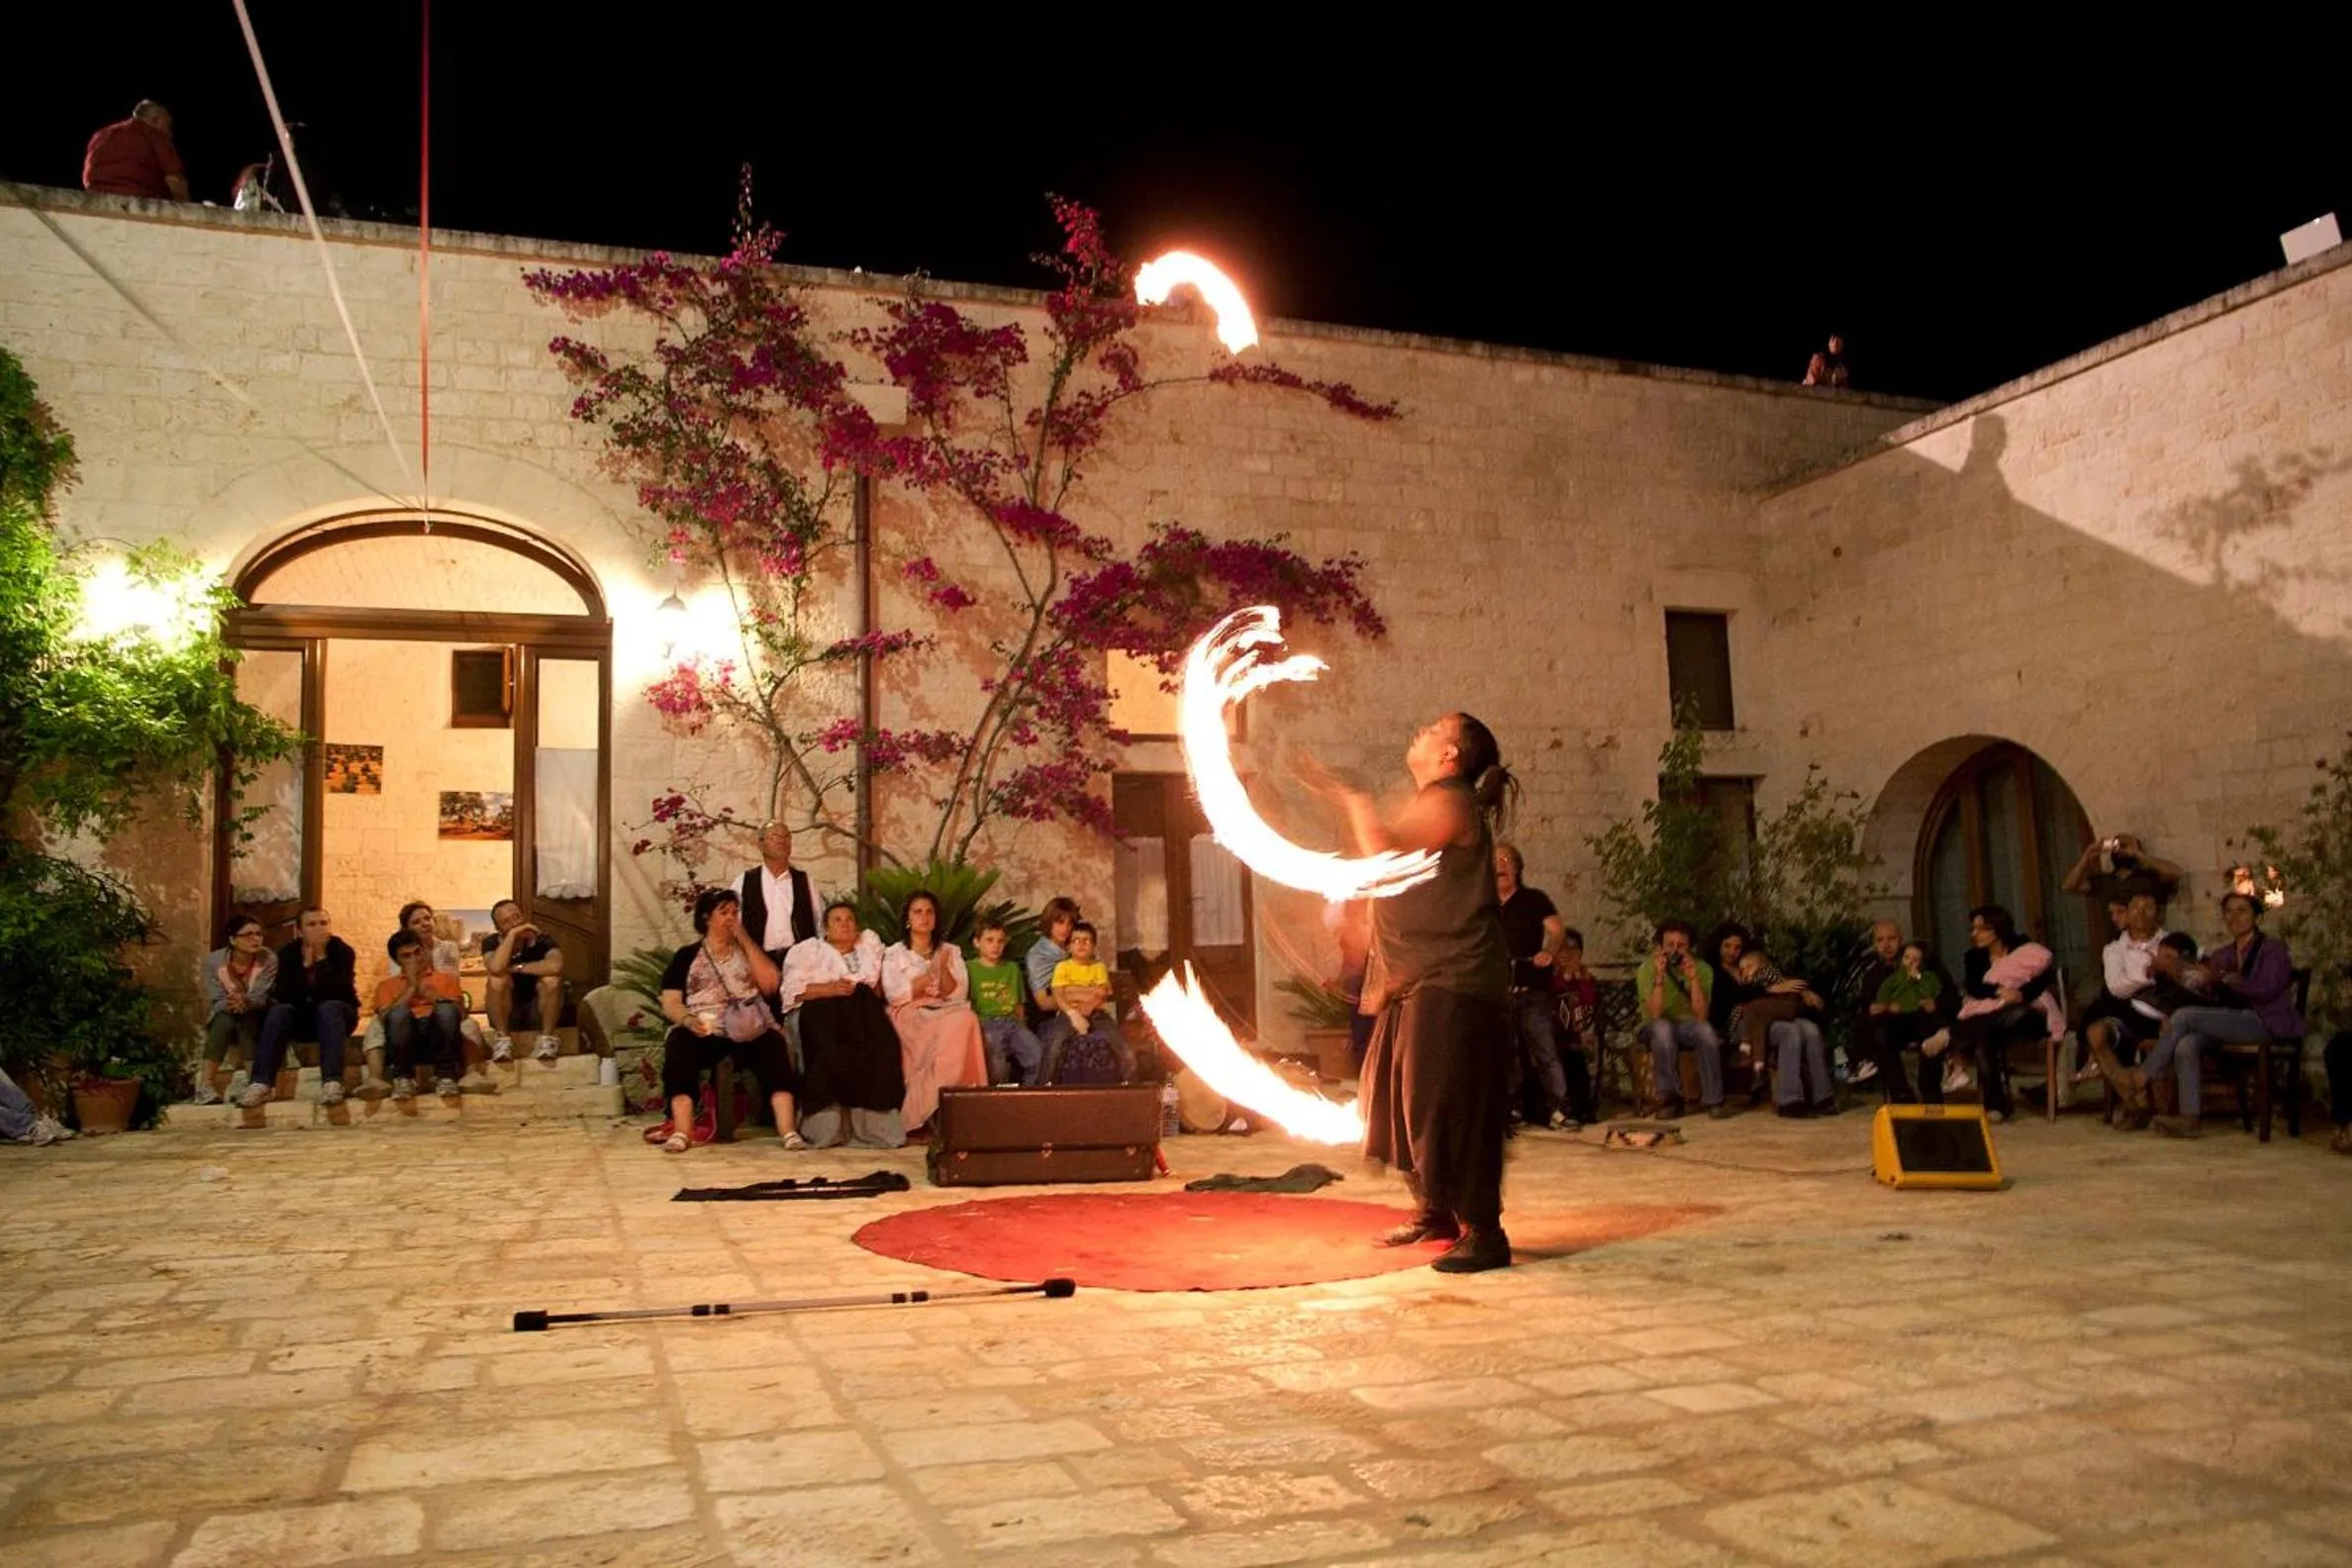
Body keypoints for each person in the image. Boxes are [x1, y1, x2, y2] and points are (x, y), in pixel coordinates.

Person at [1323, 711, 1517, 1273]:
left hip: (1453, 980)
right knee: (1394, 1101)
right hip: (1418, 980)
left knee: (1445, 1106)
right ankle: (1436, 1210)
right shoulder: (1434, 800)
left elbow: (1386, 852)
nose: (1421, 732)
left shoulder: (1451, 800)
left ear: (1451, 755)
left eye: (1435, 730)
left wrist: (1356, 798)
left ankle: (1485, 1230)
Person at [2110, 892, 2303, 1138]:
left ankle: (2142, 1076)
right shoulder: (2224, 953)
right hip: (2232, 1021)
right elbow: (2205, 988)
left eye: (2242, 910)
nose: (2235, 917)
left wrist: (2230, 980)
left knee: (2184, 1016)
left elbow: (2267, 989)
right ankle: (2190, 1119)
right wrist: (2192, 976)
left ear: (2255, 915)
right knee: (2186, 1044)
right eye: (2229, 911)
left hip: (2265, 1021)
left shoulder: (2273, 949)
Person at [655, 887, 801, 1153]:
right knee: (678, 1046)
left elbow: (770, 983)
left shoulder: (747, 949)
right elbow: (671, 1000)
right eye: (724, 912)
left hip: (747, 1027)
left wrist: (744, 938)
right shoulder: (687, 956)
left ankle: (788, 1130)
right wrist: (687, 1020)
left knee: (773, 1045)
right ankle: (682, 1131)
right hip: (705, 1028)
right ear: (707, 918)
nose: (731, 917)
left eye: (735, 912)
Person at [1920, 904, 2059, 1124]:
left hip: (2028, 1015)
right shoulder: (1974, 957)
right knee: (1985, 1037)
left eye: (1980, 929)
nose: (1974, 934)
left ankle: (1951, 1034)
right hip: (1990, 1018)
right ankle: (1995, 1106)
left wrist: (2020, 994)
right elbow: (1974, 987)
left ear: (1996, 929)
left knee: (2016, 1013)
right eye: (1973, 929)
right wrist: (1998, 992)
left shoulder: (2023, 947)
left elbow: (2043, 979)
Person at [781, 901, 904, 1148]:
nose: (845, 924)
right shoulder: (809, 950)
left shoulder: (869, 947)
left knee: (882, 1048)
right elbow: (791, 990)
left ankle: (875, 1128)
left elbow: (882, 986)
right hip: (821, 1009)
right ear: (825, 928)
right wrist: (829, 988)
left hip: (862, 1011)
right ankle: (829, 1128)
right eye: (837, 919)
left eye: (849, 919)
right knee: (829, 1050)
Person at [882, 890, 988, 1134]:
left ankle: (953, 1105)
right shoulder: (895, 953)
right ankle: (926, 1110)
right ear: (908, 919)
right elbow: (895, 994)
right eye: (918, 912)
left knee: (967, 1020)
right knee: (945, 1027)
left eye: (930, 912)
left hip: (945, 1009)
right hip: (910, 1012)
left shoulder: (951, 951)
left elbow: (959, 993)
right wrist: (929, 975)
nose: (924, 917)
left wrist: (941, 970)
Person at [1494, 843, 1576, 1130]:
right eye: (1494, 861)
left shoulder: (1534, 899)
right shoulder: (1483, 904)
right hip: (1497, 991)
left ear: (1517, 867)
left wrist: (1549, 952)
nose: (1500, 865)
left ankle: (1559, 1109)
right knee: (1506, 1053)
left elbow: (1556, 930)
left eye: (1506, 860)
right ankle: (1512, 1109)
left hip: (1532, 990)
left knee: (1545, 1049)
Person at [245, 908, 357, 1111]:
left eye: (323, 923)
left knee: (329, 1007)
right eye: (312, 924)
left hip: (337, 1016)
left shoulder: (343, 952)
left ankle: (333, 1082)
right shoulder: (288, 954)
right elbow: (285, 994)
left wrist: (322, 960)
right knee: (279, 1011)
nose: (319, 929)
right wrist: (306, 966)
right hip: (302, 1018)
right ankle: (261, 1083)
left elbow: (340, 991)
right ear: (299, 930)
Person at [1847, 922, 1955, 1101]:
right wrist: (1875, 1007)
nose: (1886, 945)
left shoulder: (1923, 960)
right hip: (1894, 1025)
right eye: (1880, 940)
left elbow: (1945, 992)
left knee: (1931, 1030)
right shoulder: (1873, 972)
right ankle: (1901, 1093)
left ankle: (1930, 1091)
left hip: (1924, 1020)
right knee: (1879, 1031)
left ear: (1901, 940)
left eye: (1892, 939)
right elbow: (1868, 1003)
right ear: (1874, 944)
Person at [2082, 892, 2170, 1100]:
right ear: (2127, 914)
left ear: (2157, 913)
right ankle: (2128, 1091)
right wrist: (2151, 975)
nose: (2140, 914)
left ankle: (2140, 1102)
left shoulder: (2171, 942)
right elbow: (2117, 987)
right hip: (2128, 1012)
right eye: (2134, 908)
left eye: (2147, 907)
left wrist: (2137, 980)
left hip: (2164, 1011)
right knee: (2096, 1032)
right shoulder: (2113, 950)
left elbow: (2184, 977)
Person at [1733, 946, 1834, 1117]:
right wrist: (1770, 990)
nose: (1745, 971)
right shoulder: (1741, 982)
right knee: (1791, 1031)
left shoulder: (1772, 974)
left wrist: (1803, 993)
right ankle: (1789, 1100)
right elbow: (1741, 999)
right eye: (1742, 968)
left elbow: (1790, 993)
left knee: (1811, 1030)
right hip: (1754, 1025)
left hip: (1780, 1017)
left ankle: (1822, 1097)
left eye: (1749, 966)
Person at [1640, 921, 1725, 1121]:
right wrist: (1659, 978)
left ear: (1690, 948)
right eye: (1670, 945)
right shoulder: (1647, 968)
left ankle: (1714, 1099)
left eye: (1681, 945)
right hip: (1654, 1027)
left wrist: (1693, 978)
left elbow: (1702, 1016)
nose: (1675, 950)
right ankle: (1670, 1099)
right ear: (1660, 947)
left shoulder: (1703, 969)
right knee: (1663, 1029)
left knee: (1705, 1030)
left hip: (1686, 1026)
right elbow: (1655, 1014)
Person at [372, 931, 467, 1102]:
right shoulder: (386, 985)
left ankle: (446, 1077)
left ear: (425, 951)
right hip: (404, 1039)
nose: (415, 959)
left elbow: (460, 1014)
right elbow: (384, 1017)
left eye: (417, 952)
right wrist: (411, 987)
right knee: (398, 1013)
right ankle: (403, 1079)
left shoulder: (445, 979)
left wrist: (427, 992)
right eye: (407, 956)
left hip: (438, 1035)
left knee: (446, 1009)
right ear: (397, 961)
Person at [195, 916, 276, 1105]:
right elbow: (216, 1000)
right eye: (248, 935)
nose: (255, 939)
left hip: (257, 1012)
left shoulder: (268, 958)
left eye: (258, 934)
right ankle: (205, 1086)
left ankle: (254, 1083)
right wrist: (233, 1003)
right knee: (224, 1019)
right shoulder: (215, 962)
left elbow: (261, 996)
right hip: (226, 1011)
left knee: (247, 1020)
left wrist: (244, 1001)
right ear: (233, 939)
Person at [1043, 923, 1136, 1083]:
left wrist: (1078, 996)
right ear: (1069, 947)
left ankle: (1131, 1087)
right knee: (1054, 1045)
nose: (1081, 944)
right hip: (1069, 1013)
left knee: (1125, 1050)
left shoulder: (1098, 967)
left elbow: (1101, 993)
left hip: (1097, 1014)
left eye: (1087, 941)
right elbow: (1059, 994)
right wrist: (1074, 1012)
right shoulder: (1062, 967)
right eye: (1076, 940)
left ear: (1093, 947)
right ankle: (1044, 1086)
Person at [483, 899, 564, 1063]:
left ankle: (547, 1039)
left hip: (539, 1011)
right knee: (497, 980)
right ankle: (503, 1041)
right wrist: (512, 936)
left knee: (551, 979)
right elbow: (497, 967)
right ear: (498, 929)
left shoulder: (542, 940)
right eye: (506, 922)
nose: (514, 924)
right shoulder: (491, 942)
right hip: (506, 1012)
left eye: (516, 917)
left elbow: (556, 966)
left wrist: (516, 968)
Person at [2062, 833, 2184, 934]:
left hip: (2148, 938)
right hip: (2116, 943)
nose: (2121, 849)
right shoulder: (2105, 880)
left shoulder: (2149, 877)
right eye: (2117, 846)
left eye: (2124, 846)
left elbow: (2176, 873)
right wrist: (2087, 856)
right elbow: (2069, 886)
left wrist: (2138, 854)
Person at [968, 920, 1041, 1086]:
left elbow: (1018, 1005)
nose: (996, 945)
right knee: (996, 1060)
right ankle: (998, 1100)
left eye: (1000, 941)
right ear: (977, 942)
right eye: (990, 940)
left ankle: (1028, 1095)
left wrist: (1022, 1026)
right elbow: (967, 1005)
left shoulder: (1012, 968)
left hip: (1011, 1022)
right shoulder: (969, 968)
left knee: (1037, 1053)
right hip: (986, 1023)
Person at [737, 821, 817, 965]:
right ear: (760, 844)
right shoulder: (745, 881)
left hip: (800, 961)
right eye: (775, 836)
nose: (781, 841)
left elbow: (819, 921)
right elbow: (733, 925)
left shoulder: (805, 880)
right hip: (758, 963)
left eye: (786, 836)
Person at [82, 101, 188, 202]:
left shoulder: (100, 135)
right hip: (140, 199)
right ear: (156, 121)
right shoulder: (154, 134)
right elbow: (175, 181)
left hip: (96, 197)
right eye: (168, 125)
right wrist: (187, 209)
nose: (170, 133)